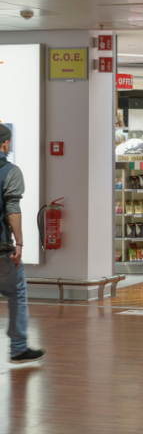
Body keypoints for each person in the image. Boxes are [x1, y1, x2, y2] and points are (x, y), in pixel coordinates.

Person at [0, 124, 45, 363]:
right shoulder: (10, 171)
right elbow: (12, 210)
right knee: (16, 292)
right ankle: (18, 347)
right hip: (2, 249)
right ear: (5, 144)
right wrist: (19, 243)